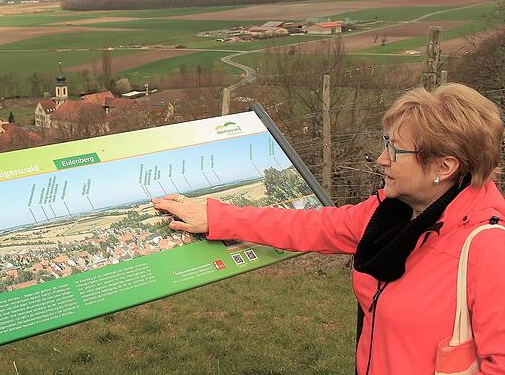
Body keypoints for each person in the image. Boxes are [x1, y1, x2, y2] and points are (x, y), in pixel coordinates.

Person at [152, 83, 505, 374]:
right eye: (386, 145)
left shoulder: (489, 250)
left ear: (443, 166)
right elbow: (312, 225)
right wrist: (217, 217)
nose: (382, 159)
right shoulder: (393, 214)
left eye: (395, 151)